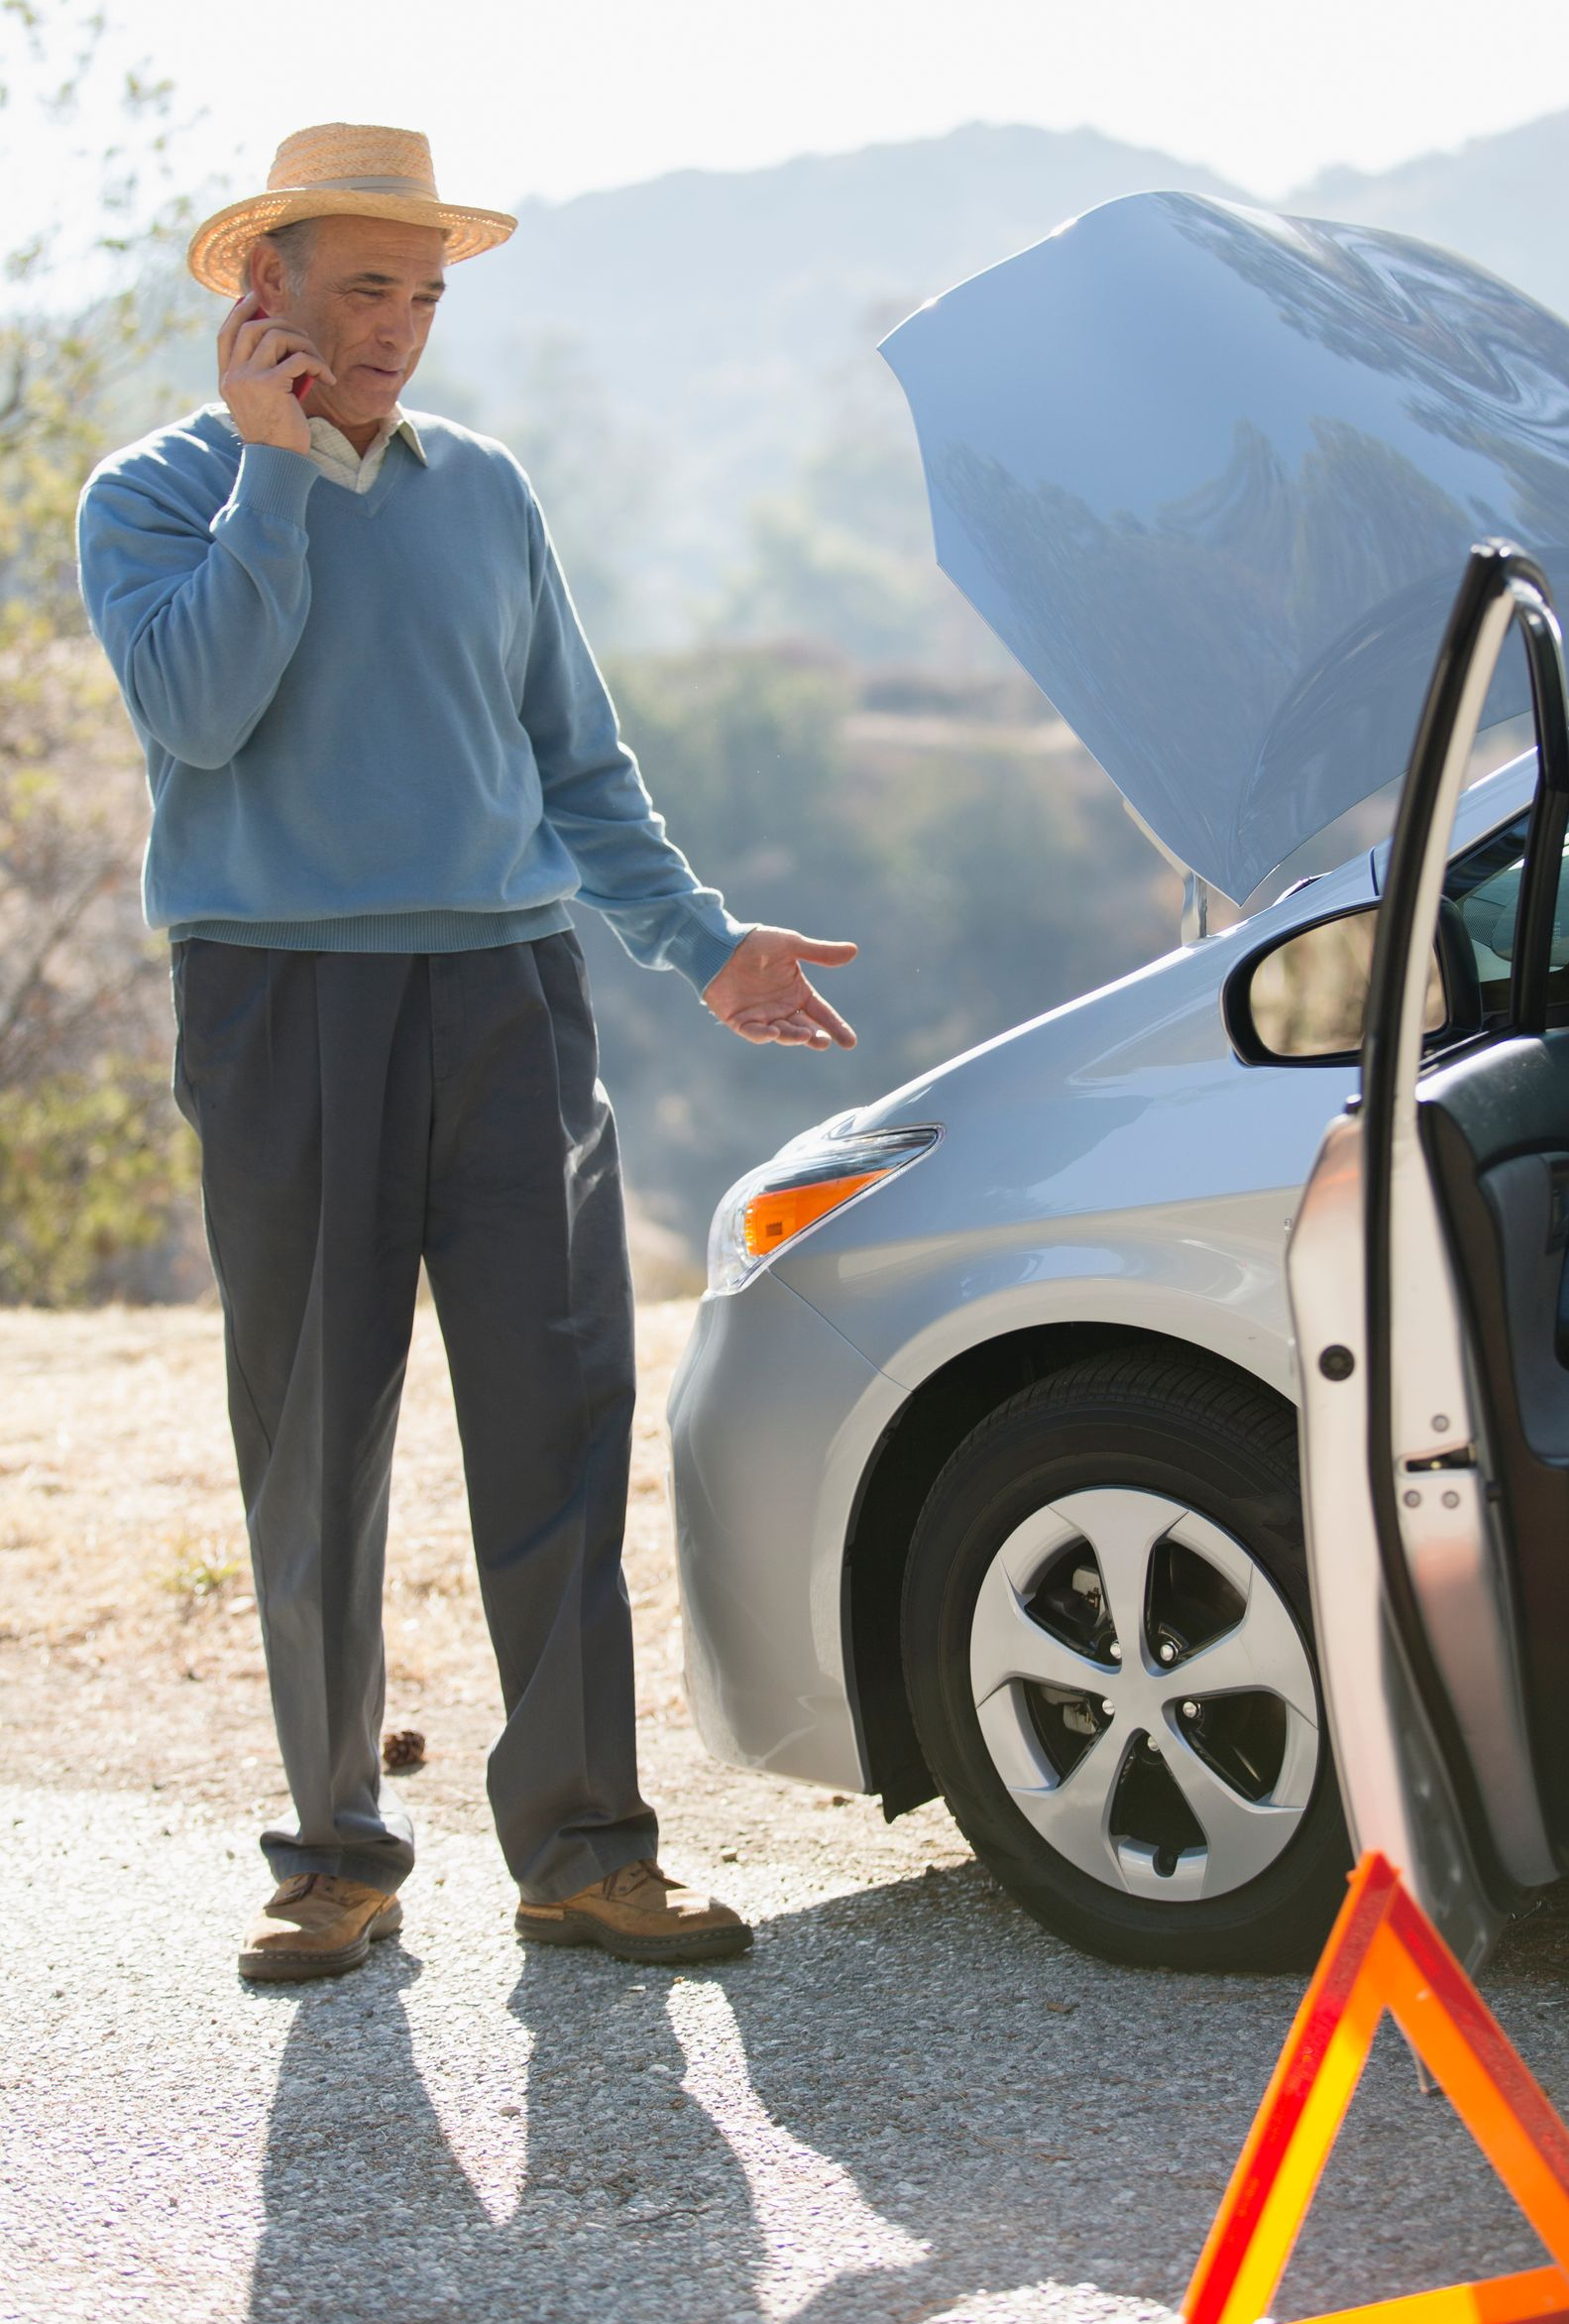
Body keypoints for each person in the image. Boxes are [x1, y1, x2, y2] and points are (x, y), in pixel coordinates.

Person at [75, 123, 858, 1983]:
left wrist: (698, 943)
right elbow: (198, 711)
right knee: (315, 1440)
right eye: (367, 289)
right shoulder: (155, 495)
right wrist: (276, 476)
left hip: (509, 996)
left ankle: (585, 1850)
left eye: (425, 297)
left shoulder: (486, 491)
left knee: (564, 1421)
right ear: (258, 294)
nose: (404, 330)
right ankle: (335, 1853)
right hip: (282, 1008)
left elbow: (577, 764)